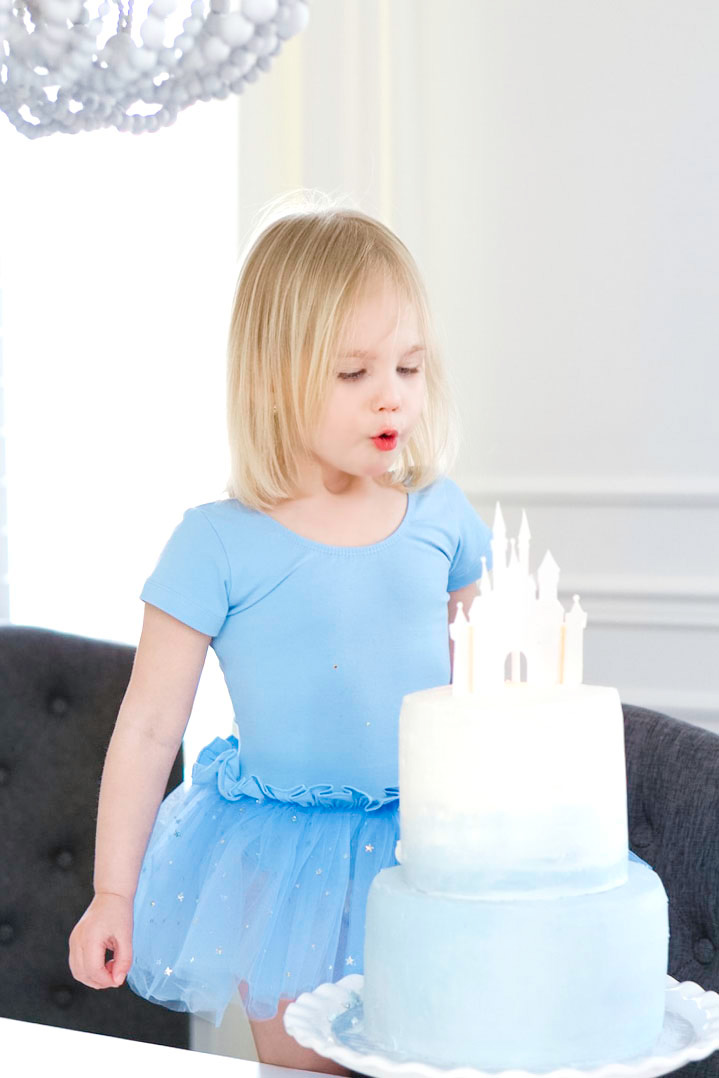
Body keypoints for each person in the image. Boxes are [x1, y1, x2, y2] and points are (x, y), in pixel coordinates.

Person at [68, 195, 492, 1075]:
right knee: (308, 1068)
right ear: (271, 379)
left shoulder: (441, 517)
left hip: (429, 854)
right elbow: (148, 728)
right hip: (287, 867)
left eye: (409, 367)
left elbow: (488, 692)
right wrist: (113, 890)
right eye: (353, 372)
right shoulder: (216, 544)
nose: (392, 394)